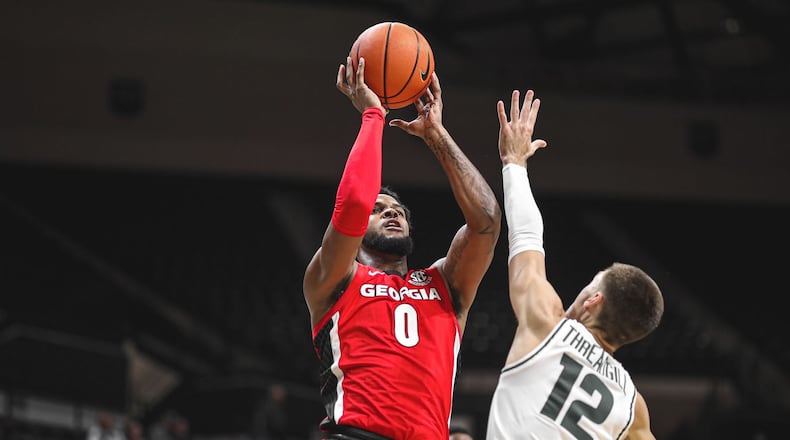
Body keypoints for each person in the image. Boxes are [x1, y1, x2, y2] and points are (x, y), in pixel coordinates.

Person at [303, 56, 501, 440]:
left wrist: (436, 134)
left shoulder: (444, 282)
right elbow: (355, 205)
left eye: (398, 211)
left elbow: (487, 222)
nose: (391, 214)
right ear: (359, 231)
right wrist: (373, 116)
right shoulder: (336, 279)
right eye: (379, 211)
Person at [484, 89, 664, 439]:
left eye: (591, 284)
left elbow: (526, 237)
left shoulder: (546, 326)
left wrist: (514, 163)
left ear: (594, 300)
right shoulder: (632, 408)